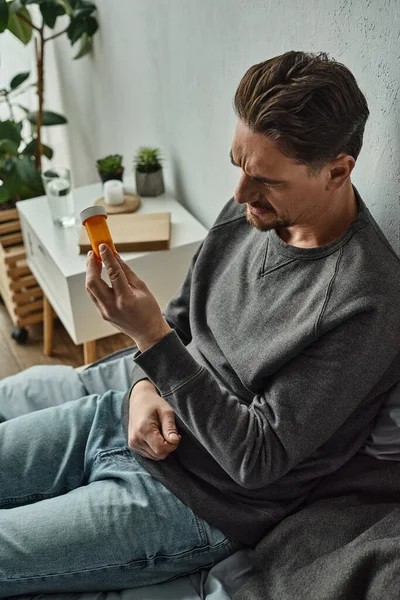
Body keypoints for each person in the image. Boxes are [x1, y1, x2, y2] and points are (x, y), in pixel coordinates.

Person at [1, 50, 400, 598]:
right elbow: (185, 317)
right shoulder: (249, 210)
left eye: (264, 180)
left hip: (194, 504)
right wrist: (143, 385)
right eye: (238, 164)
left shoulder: (367, 301)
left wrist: (148, 339)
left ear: (337, 170)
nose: (239, 195)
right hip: (122, 419)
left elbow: (258, 458)